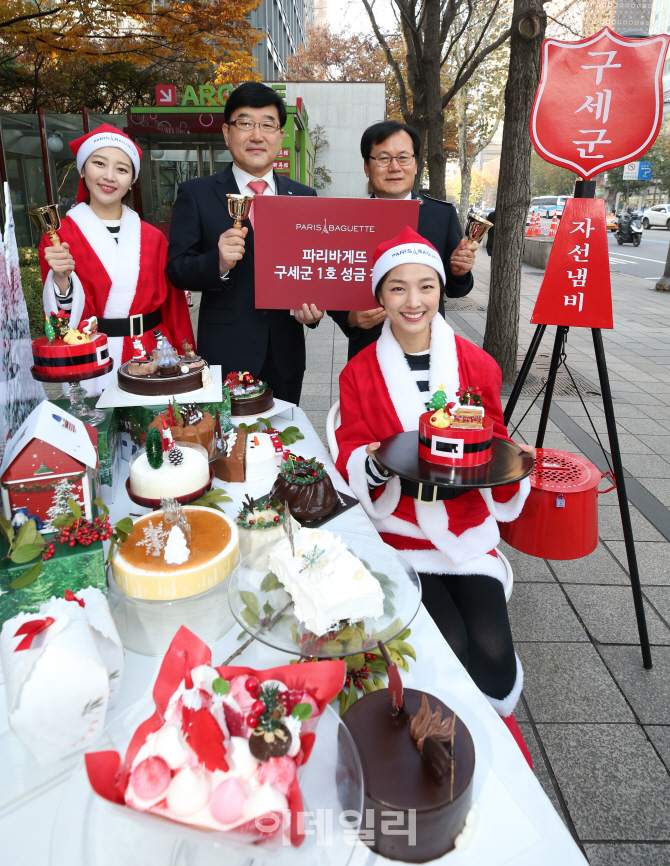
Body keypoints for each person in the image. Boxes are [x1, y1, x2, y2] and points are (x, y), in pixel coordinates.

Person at [335, 227, 533, 759]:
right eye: (397, 288)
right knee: (447, 643)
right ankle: (437, 742)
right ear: (378, 296)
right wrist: (373, 463)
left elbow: (493, 439)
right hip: (399, 530)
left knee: (492, 651)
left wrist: (518, 464)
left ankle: (488, 739)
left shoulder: (477, 364)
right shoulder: (358, 373)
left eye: (426, 286)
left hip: (465, 525)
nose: (413, 300)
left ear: (442, 289)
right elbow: (351, 447)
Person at [167, 82, 323, 405]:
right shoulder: (196, 194)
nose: (257, 135)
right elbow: (177, 268)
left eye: (267, 125)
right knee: (227, 448)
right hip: (226, 353)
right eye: (245, 123)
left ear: (280, 136)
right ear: (226, 133)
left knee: (284, 443)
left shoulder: (304, 198)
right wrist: (218, 263)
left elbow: (312, 267)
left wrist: (314, 311)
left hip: (286, 355)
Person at [38, 123, 194, 394]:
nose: (109, 176)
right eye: (99, 163)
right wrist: (61, 278)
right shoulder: (59, 238)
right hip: (93, 351)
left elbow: (175, 307)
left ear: (132, 179)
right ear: (83, 169)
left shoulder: (154, 237)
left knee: (157, 430)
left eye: (122, 169)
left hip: (153, 350)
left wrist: (186, 354)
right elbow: (59, 319)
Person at [329, 121, 475, 360]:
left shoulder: (442, 215)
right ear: (367, 166)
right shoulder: (347, 219)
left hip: (429, 347)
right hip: (369, 348)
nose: (394, 167)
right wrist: (349, 317)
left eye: (404, 157)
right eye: (383, 158)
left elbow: (457, 290)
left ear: (416, 164)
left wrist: (459, 272)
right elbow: (330, 279)